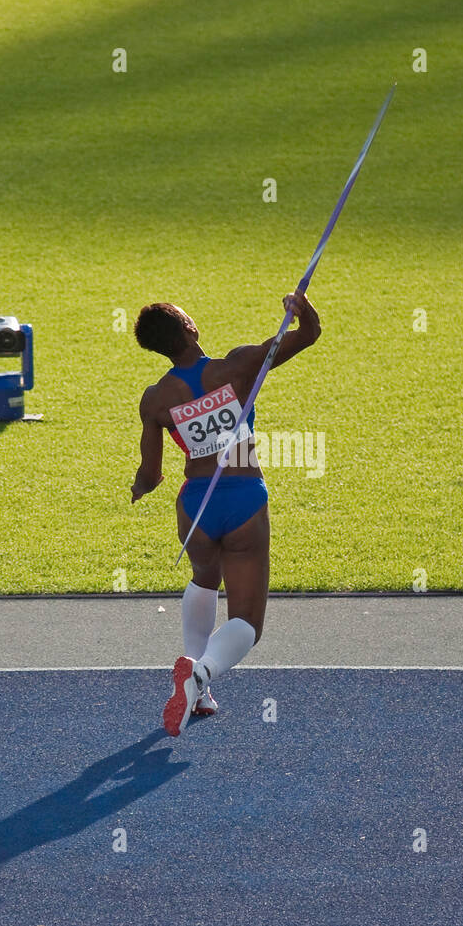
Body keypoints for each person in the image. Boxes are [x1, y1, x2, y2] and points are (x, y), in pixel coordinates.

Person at [131, 291, 321, 736]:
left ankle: (200, 693)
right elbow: (309, 335)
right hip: (241, 499)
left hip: (195, 505)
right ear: (190, 328)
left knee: (203, 577)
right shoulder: (238, 366)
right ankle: (200, 675)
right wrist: (300, 307)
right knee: (247, 623)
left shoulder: (155, 399)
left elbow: (151, 474)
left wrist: (139, 487)